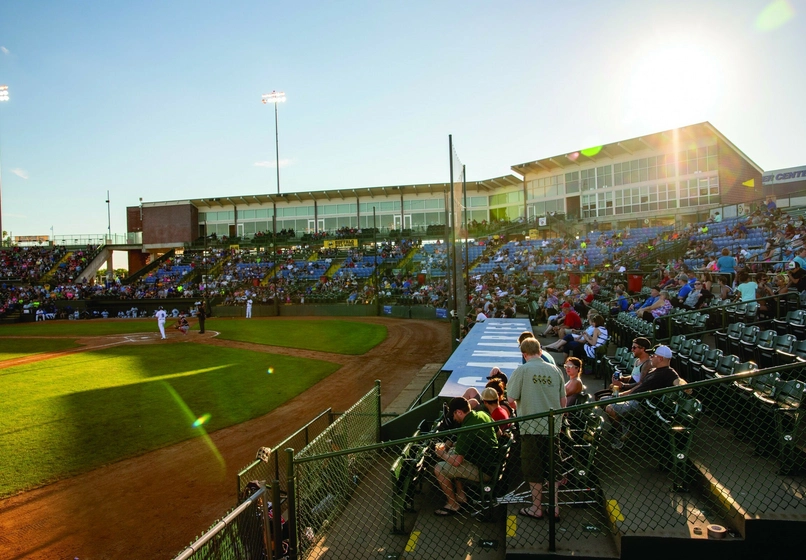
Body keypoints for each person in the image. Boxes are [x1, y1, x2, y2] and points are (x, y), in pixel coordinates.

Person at [507, 338, 566, 521]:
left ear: (524, 354)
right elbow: (563, 402)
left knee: (533, 468)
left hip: (531, 428)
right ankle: (554, 507)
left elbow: (511, 399)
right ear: (540, 351)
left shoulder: (522, 370)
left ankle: (537, 507)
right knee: (553, 466)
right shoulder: (556, 370)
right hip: (552, 428)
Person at [432, 397, 499, 516]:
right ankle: (461, 495)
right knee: (453, 452)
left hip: (484, 471)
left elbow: (457, 462)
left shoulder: (466, 428)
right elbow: (499, 433)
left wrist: (442, 454)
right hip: (492, 463)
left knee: (439, 468)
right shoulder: (482, 414)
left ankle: (453, 505)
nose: (453, 418)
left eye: (453, 414)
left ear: (459, 412)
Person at [605, 345, 680, 449]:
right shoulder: (653, 370)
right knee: (603, 400)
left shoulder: (669, 373)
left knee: (610, 408)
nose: (651, 357)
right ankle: (626, 425)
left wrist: (685, 387)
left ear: (661, 358)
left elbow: (680, 383)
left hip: (644, 404)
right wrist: (622, 394)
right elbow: (639, 386)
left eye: (653, 355)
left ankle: (620, 433)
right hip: (634, 398)